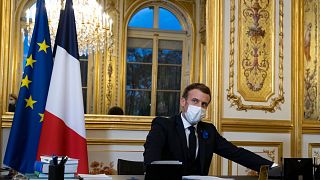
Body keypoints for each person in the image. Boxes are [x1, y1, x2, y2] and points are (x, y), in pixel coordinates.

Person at [144, 83, 277, 175]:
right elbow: (151, 161)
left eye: (204, 104)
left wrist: (273, 168)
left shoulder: (208, 130)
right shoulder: (163, 125)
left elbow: (236, 153)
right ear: (183, 102)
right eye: (195, 101)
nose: (199, 107)